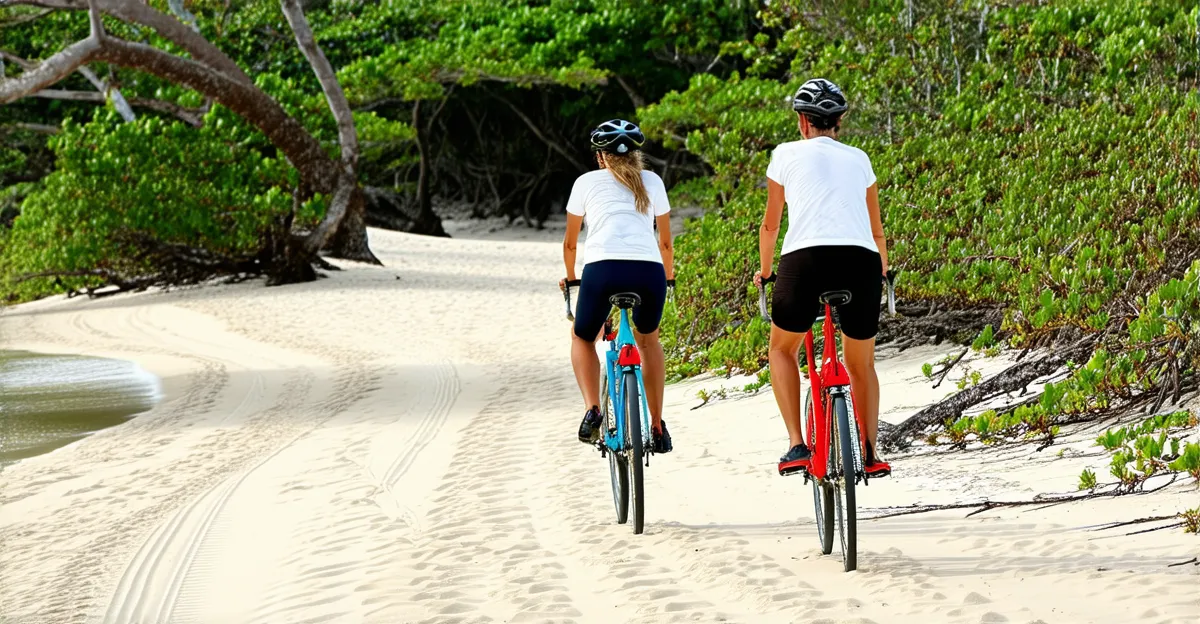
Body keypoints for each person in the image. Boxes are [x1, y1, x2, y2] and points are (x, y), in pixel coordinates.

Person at [753, 78, 891, 477]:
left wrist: (765, 273)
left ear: (802, 122)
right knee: (861, 363)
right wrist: (881, 271)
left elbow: (770, 225)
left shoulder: (784, 154)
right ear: (840, 122)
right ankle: (868, 451)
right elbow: (876, 230)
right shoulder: (860, 159)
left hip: (805, 259)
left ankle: (797, 443)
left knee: (781, 350)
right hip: (860, 259)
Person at [560, 120, 674, 454]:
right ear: (636, 155)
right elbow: (665, 243)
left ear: (600, 157)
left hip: (602, 270)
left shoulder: (585, 182)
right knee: (648, 341)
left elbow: (570, 244)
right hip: (649, 271)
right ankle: (656, 425)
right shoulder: (653, 181)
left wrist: (571, 279)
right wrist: (668, 279)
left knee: (582, 337)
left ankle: (592, 408)